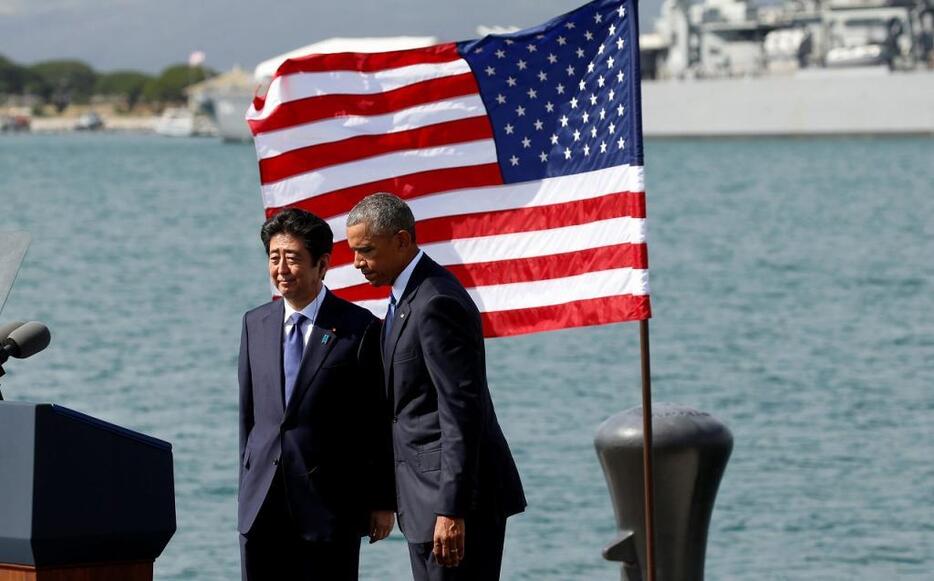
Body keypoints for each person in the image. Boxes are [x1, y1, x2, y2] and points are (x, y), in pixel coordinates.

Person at [346, 193, 526, 581]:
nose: (358, 263)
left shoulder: (436, 302)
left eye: (366, 251)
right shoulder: (403, 299)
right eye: (354, 252)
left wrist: (452, 509)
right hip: (423, 500)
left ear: (401, 241)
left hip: (454, 506)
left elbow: (461, 411)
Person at [238, 208, 395, 581]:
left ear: (322, 265)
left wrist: (382, 500)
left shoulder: (361, 329)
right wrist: (246, 491)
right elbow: (249, 419)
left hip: (329, 507)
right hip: (261, 505)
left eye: (292, 258)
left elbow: (377, 421)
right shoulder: (254, 323)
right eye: (274, 258)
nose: (281, 269)